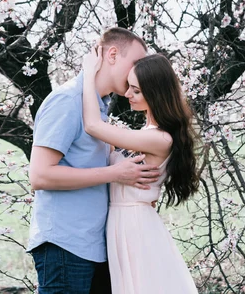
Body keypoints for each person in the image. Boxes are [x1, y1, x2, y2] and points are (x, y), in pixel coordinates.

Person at [27, 27, 161, 294]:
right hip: (66, 246)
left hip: (94, 246)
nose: (138, 74)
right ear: (112, 54)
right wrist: (115, 173)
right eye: (135, 63)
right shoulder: (67, 101)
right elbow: (40, 176)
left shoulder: (97, 107)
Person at [82, 48, 201, 294]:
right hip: (124, 222)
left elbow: (93, 125)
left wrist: (87, 74)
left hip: (134, 225)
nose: (127, 94)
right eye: (129, 86)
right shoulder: (144, 135)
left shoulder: (160, 139)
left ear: (155, 94)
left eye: (136, 90)